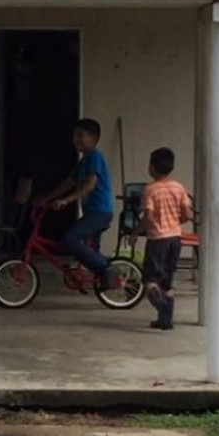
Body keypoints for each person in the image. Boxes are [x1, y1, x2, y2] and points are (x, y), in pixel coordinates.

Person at [41, 118, 116, 290]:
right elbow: (68, 183)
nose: (76, 139)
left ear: (94, 138)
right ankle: (108, 277)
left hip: (100, 213)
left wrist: (66, 200)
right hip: (93, 212)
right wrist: (47, 198)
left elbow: (90, 185)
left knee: (70, 239)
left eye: (81, 135)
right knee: (91, 250)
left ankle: (106, 269)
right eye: (74, 135)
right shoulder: (84, 161)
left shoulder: (95, 157)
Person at [126, 147, 193, 331]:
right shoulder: (179, 187)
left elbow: (148, 217)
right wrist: (176, 222)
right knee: (167, 282)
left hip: (157, 240)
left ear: (153, 167)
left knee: (150, 281)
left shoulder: (150, 190)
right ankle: (165, 321)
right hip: (175, 239)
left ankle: (162, 308)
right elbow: (188, 214)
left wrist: (134, 233)